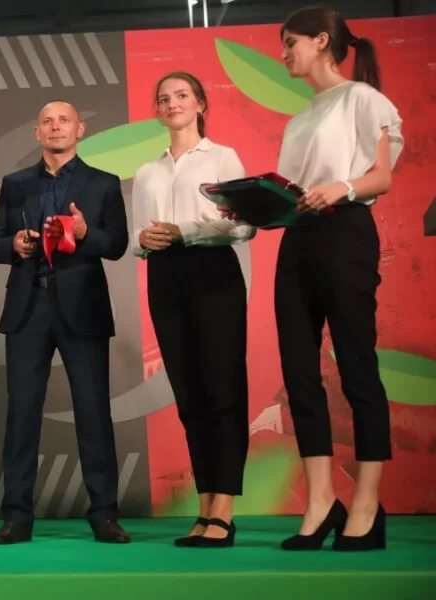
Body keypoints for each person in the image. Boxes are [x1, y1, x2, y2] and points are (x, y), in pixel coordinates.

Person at [274, 5, 403, 551]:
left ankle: (367, 504)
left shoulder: (363, 98)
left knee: (356, 367)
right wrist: (255, 206)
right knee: (299, 373)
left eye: (291, 43)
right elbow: (292, 190)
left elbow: (381, 177)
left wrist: (341, 188)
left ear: (321, 41)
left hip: (346, 232)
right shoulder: (298, 119)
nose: (284, 54)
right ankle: (321, 501)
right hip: (296, 240)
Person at [0, 100, 130, 544]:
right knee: (22, 414)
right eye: (47, 122)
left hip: (82, 306)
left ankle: (104, 513)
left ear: (79, 129)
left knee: (94, 411)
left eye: (64, 120)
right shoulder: (14, 184)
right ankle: (17, 516)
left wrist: (85, 234)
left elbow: (117, 244)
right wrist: (15, 245)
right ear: (37, 133)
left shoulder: (103, 183)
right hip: (28, 305)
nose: (55, 127)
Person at [131, 72, 254, 548]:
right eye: (163, 98)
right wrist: (143, 239)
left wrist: (186, 230)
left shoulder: (223, 158)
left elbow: (243, 228)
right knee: (189, 396)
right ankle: (205, 508)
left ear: (201, 103)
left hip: (213, 274)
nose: (172, 103)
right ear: (157, 111)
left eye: (182, 95)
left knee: (223, 390)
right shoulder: (147, 171)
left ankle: (224, 510)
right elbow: (136, 238)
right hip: (165, 277)